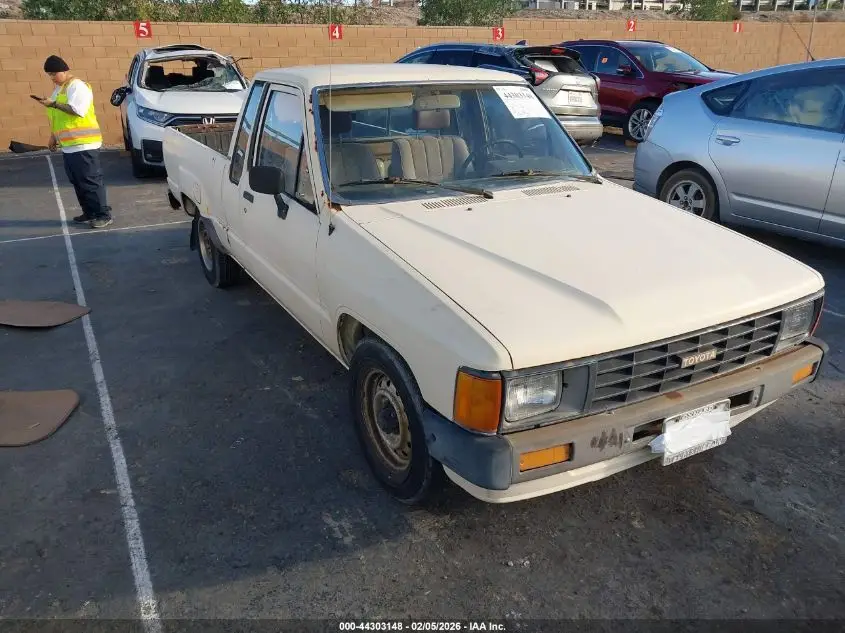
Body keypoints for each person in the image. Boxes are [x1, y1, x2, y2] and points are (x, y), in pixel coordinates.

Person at [36, 55, 113, 229]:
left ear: (64, 70)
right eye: (49, 74)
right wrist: (53, 136)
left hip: (84, 143)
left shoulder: (77, 86)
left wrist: (53, 104)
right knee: (77, 181)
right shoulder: (59, 90)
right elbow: (59, 118)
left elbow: (77, 110)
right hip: (69, 145)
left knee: (90, 180)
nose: (52, 78)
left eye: (54, 73)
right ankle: (89, 212)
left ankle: (103, 214)